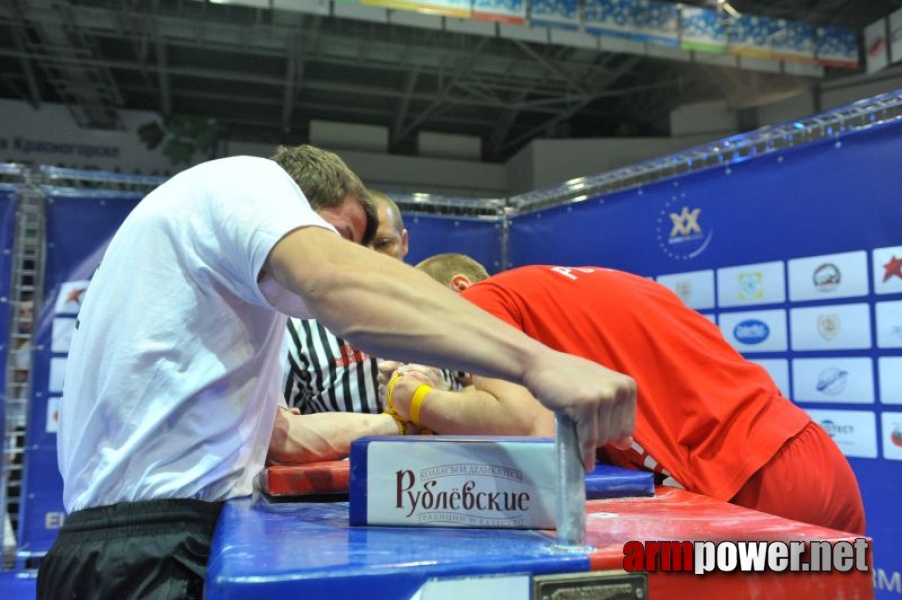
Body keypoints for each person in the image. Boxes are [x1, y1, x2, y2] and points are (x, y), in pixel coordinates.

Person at [36, 147, 636, 599]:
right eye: (346, 238)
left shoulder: (211, 300)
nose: (360, 259)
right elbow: (335, 280)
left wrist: (405, 419)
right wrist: (539, 361)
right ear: (298, 208)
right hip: (149, 550)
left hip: (122, 548)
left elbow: (280, 436)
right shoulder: (249, 180)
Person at [384, 253, 866, 535]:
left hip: (750, 489)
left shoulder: (484, 301)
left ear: (460, 288)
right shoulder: (601, 286)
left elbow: (516, 419)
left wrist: (415, 398)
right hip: (813, 460)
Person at [278, 190, 459, 461]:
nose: (371, 257)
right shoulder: (299, 330)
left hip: (441, 482)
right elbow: (283, 438)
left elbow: (483, 408)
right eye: (356, 247)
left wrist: (440, 400)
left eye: (383, 243)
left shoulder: (444, 314)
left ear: (404, 242)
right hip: (338, 496)